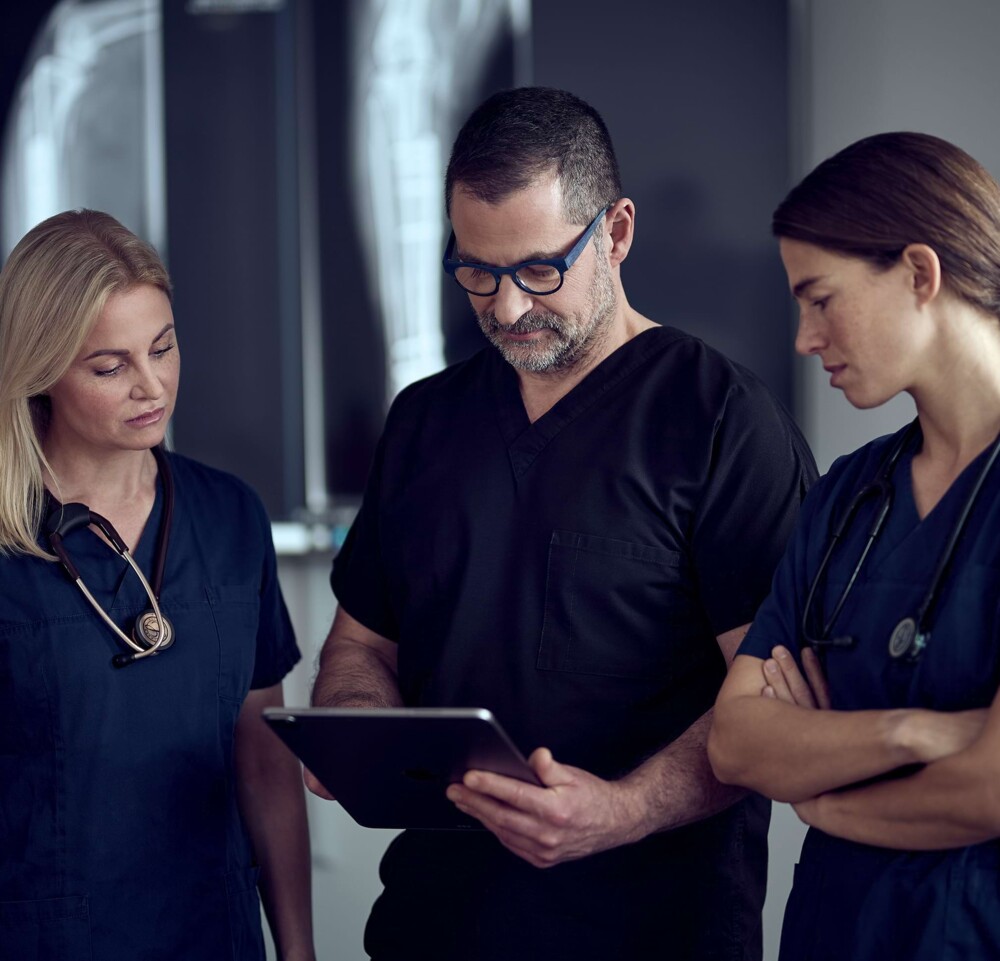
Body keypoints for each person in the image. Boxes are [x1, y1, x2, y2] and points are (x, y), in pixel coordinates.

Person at [309, 87, 816, 961]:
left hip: (652, 935)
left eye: (539, 270)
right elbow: (360, 646)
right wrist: (361, 726)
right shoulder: (425, 421)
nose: (506, 308)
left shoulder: (722, 421)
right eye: (476, 271)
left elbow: (771, 704)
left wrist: (622, 810)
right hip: (433, 928)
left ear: (615, 233)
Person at [709, 131, 1000, 961]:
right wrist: (913, 733)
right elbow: (736, 742)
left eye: (821, 299)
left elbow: (989, 788)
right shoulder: (847, 496)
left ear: (918, 273)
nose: (804, 338)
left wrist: (824, 798)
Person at [0, 209, 315, 961]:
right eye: (109, 367)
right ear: (40, 371)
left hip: (212, 932)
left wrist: (298, 949)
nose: (152, 386)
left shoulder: (230, 517)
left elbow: (263, 759)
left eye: (163, 348)